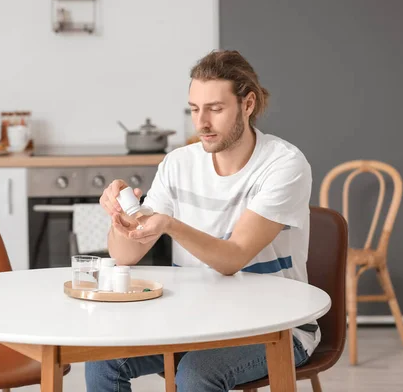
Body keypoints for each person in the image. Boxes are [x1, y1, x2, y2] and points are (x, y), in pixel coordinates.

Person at [87, 50, 318, 392]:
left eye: (215, 109)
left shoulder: (283, 165)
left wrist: (169, 224)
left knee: (196, 374)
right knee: (103, 361)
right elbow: (126, 256)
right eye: (195, 109)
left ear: (248, 104)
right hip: (193, 321)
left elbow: (233, 257)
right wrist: (121, 217)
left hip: (274, 326)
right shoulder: (179, 163)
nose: (201, 123)